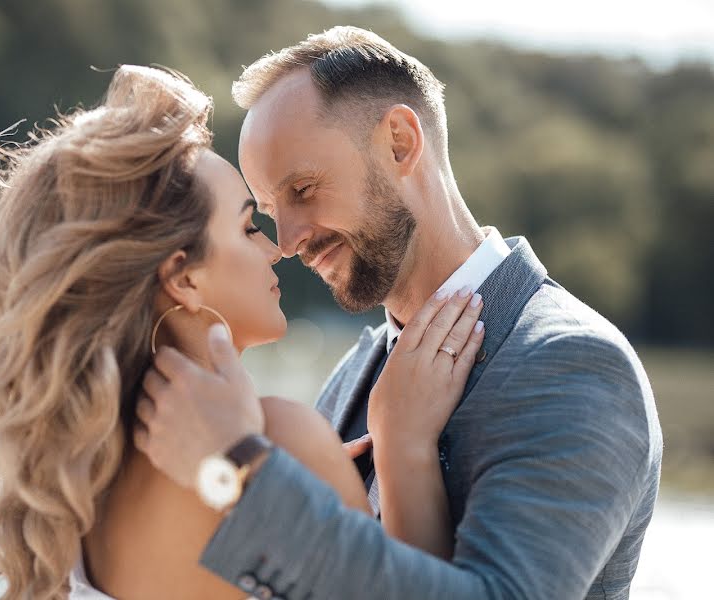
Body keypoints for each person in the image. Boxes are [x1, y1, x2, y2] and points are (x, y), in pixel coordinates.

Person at [0, 65, 484, 600]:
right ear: (184, 279)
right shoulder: (277, 442)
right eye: (250, 226)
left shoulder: (84, 489)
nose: (278, 249)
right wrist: (403, 446)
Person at [135, 27, 663, 600]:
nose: (286, 242)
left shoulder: (573, 364)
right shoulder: (352, 375)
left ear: (399, 143)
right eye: (266, 212)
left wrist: (238, 471)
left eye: (304, 189)